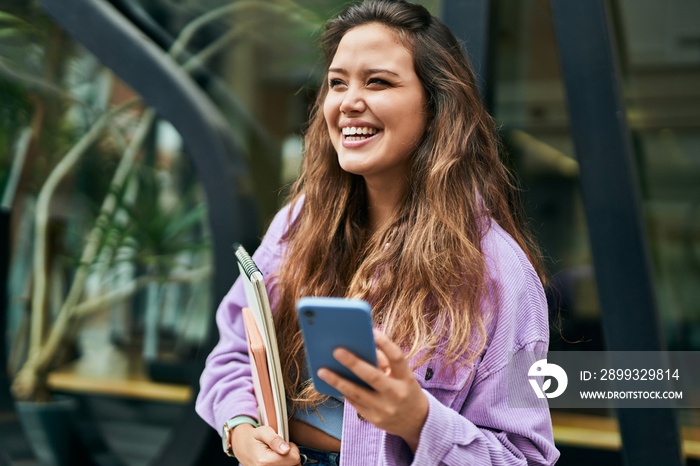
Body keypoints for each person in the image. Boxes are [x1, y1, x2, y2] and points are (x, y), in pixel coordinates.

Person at [196, 0, 560, 464]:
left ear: (437, 104)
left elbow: (522, 458)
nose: (349, 101)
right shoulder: (300, 221)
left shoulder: (499, 271)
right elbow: (232, 352)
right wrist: (242, 431)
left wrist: (417, 419)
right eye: (337, 83)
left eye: (378, 81)